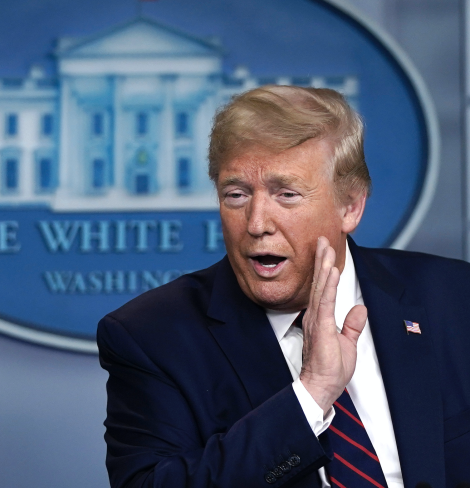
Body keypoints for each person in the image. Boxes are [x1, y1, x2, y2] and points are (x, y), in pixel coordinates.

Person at [98, 86, 470, 488]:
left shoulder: (455, 300)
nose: (257, 223)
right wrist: (311, 394)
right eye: (236, 194)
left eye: (286, 195)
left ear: (350, 206)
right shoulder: (152, 336)